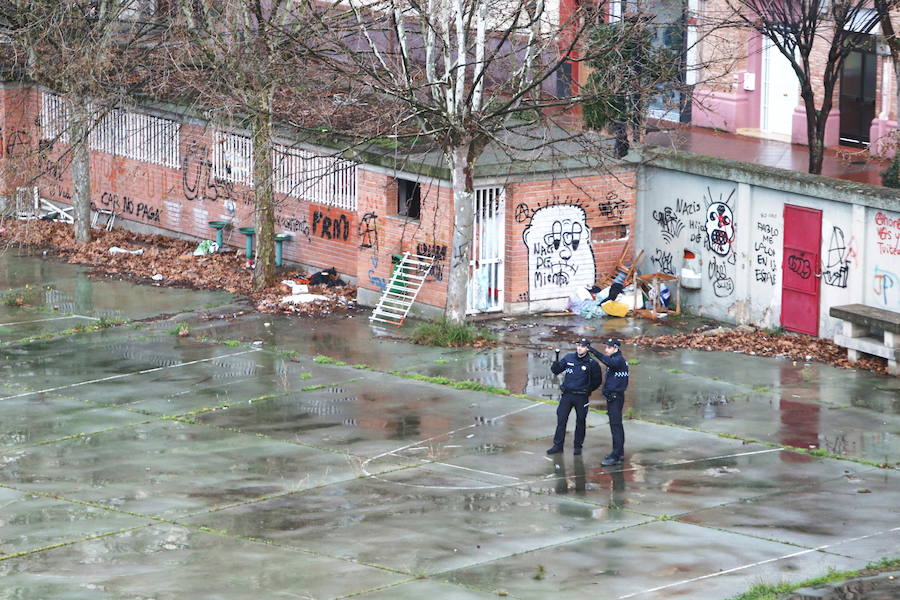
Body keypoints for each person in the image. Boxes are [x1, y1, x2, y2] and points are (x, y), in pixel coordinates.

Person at [548, 338, 602, 456]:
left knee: (580, 421)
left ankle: (578, 446)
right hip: (567, 395)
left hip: (581, 397)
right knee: (561, 419)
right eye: (578, 345)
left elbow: (597, 381)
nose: (579, 348)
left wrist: (587, 389)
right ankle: (558, 445)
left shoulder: (592, 363)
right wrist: (555, 364)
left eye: (582, 346)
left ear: (587, 348)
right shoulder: (569, 358)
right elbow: (556, 370)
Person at [589, 338, 630, 467]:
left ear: (616, 349)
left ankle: (616, 455)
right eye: (606, 347)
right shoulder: (616, 360)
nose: (606, 350)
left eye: (609, 347)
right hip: (613, 397)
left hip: (616, 398)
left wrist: (593, 351)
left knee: (616, 427)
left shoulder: (618, 361)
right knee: (616, 426)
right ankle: (619, 452)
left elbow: (607, 361)